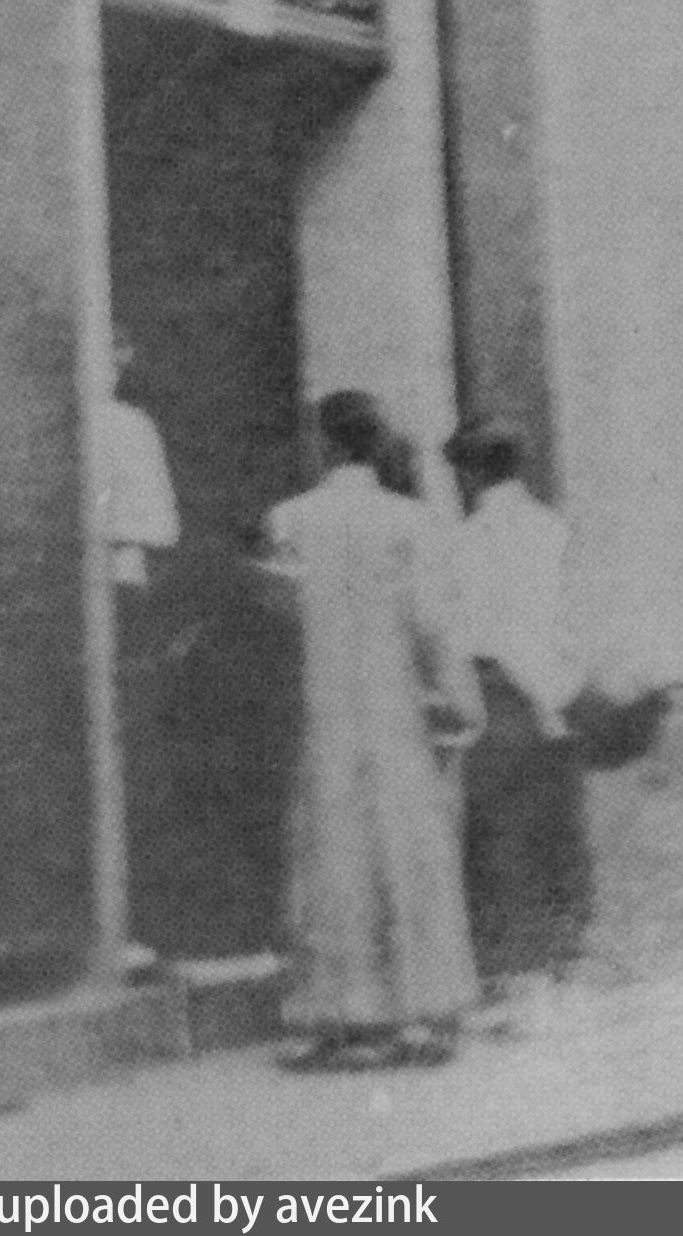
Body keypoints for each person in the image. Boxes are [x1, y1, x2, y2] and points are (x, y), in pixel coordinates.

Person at [260, 390, 482, 1071]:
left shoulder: (290, 519)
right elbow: (434, 623)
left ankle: (342, 1016)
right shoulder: (412, 522)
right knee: (404, 847)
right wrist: (458, 700)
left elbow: (277, 619)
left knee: (333, 853)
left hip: (323, 706)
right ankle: (420, 1010)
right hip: (395, 708)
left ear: (325, 444)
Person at [445, 415, 592, 996]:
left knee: (497, 838)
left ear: (470, 473)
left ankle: (509, 973)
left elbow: (469, 630)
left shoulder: (465, 540)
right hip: (555, 696)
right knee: (555, 833)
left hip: (498, 697)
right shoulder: (553, 529)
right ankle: (562, 963)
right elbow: (572, 619)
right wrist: (559, 692)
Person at [98, 336, 182, 974]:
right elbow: (160, 527)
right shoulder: (126, 427)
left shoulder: (128, 426)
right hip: (117, 591)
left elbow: (159, 527)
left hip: (116, 595)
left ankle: (131, 921)